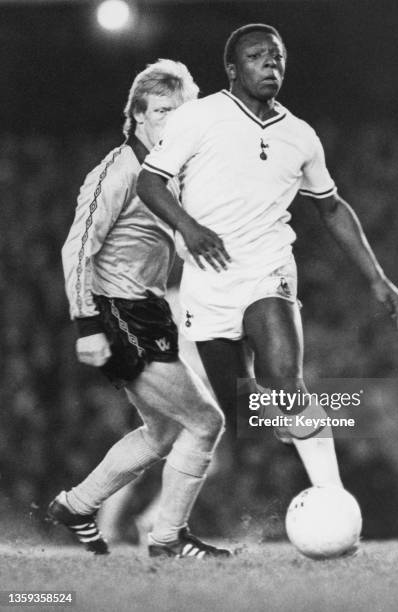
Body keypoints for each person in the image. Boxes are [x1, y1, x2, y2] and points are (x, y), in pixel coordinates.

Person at [137, 25, 398, 497]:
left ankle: (333, 498)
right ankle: (291, 422)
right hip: (207, 279)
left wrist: (377, 277)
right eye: (257, 56)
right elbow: (150, 183)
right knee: (241, 412)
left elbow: (332, 207)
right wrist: (189, 227)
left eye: (277, 56)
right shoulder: (200, 118)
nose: (270, 64)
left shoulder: (300, 136)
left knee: (286, 380)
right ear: (233, 68)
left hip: (267, 267)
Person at [48, 59, 230, 559]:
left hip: (146, 312)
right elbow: (77, 246)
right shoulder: (119, 169)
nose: (174, 121)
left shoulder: (167, 173)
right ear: (138, 116)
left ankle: (77, 505)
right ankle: (168, 538)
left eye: (183, 111)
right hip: (116, 313)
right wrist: (87, 323)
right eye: (162, 110)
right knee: (205, 422)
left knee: (164, 431)